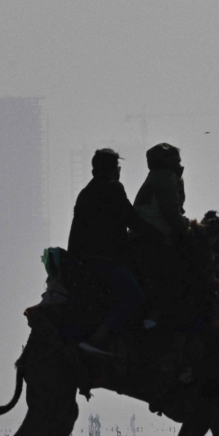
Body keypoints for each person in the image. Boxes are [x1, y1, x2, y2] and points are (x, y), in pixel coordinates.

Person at [67, 149, 157, 356]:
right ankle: (99, 338)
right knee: (134, 296)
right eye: (117, 166)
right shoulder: (113, 188)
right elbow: (132, 220)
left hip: (83, 260)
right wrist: (162, 236)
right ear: (113, 169)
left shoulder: (85, 193)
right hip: (103, 260)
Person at [134, 143, 189, 327]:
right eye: (177, 160)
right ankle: (153, 319)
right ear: (166, 161)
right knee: (181, 276)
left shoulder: (154, 178)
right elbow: (172, 214)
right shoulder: (166, 178)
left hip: (142, 237)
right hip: (155, 239)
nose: (180, 163)